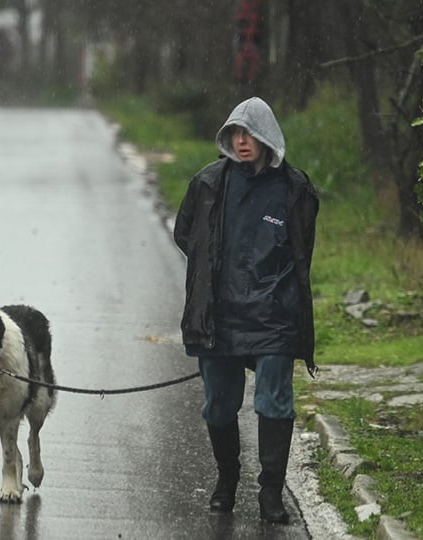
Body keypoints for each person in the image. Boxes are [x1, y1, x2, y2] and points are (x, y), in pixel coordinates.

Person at [172, 97, 319, 524]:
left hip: (273, 317)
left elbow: (301, 251)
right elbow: (187, 236)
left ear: (267, 137)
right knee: (218, 404)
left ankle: (271, 492)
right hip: (216, 315)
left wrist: (272, 286)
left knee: (275, 401)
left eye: (249, 134)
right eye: (235, 133)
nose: (241, 141)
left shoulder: (295, 189)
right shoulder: (207, 184)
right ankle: (227, 479)